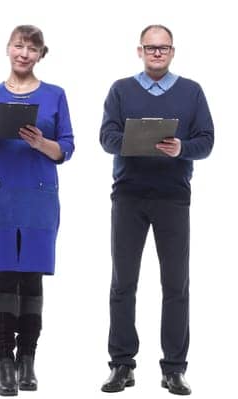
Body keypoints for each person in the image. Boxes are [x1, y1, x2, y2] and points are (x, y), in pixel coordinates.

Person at [98, 24, 212, 397]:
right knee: (123, 283)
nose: (157, 53)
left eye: (163, 48)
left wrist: (181, 148)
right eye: (151, 48)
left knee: (176, 285)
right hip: (129, 195)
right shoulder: (121, 90)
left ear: (173, 52)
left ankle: (174, 369)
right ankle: (121, 364)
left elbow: (206, 140)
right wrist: (136, 141)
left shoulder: (191, 92)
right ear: (140, 51)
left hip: (173, 197)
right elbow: (107, 137)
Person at [0, 24, 74, 398]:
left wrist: (41, 142)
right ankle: (4, 362)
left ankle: (28, 359)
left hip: (39, 192)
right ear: (8, 49)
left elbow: (66, 149)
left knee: (32, 278)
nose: (24, 53)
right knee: (3, 276)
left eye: (32, 48)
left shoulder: (55, 95)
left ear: (41, 54)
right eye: (18, 46)